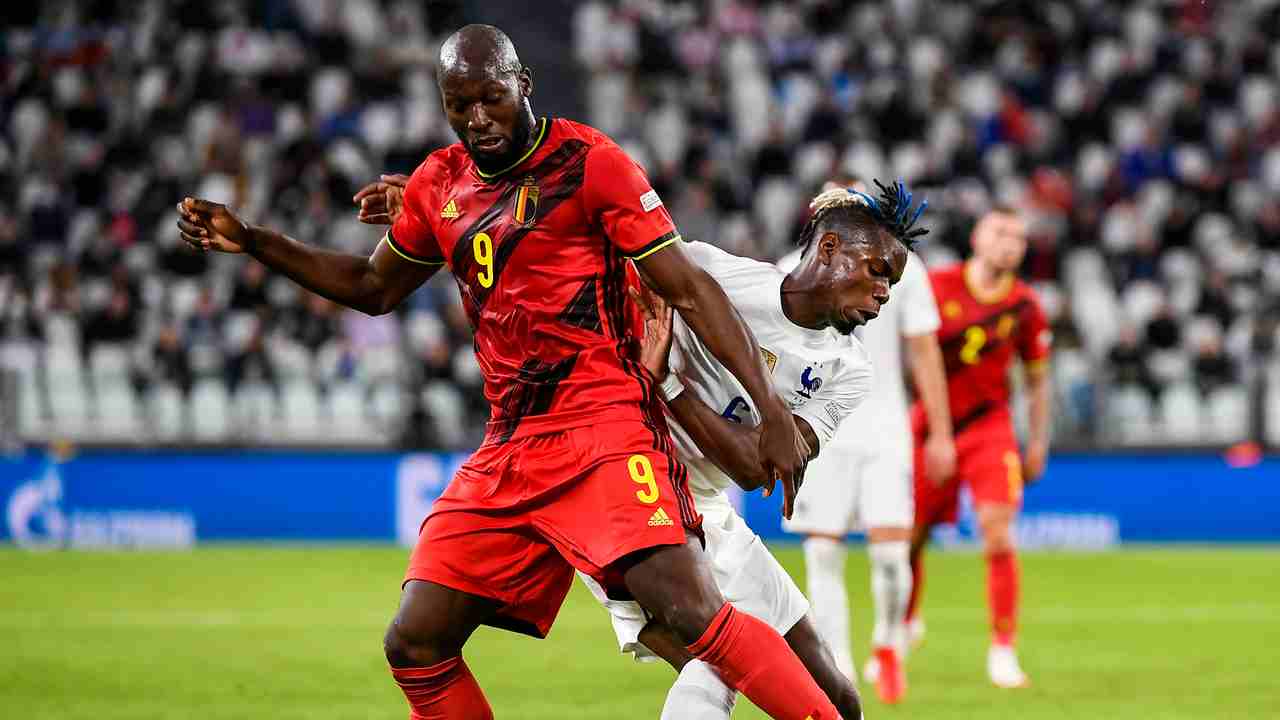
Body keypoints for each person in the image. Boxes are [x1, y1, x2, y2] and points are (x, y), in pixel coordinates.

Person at [178, 24, 839, 720]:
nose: (477, 118)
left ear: (522, 84)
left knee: (691, 611)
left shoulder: (592, 163)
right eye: (458, 104)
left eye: (491, 98)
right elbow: (373, 287)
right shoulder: (439, 182)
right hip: (512, 445)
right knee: (416, 641)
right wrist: (256, 241)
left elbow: (689, 289)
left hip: (603, 426)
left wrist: (769, 410)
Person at [586, 180, 926, 720]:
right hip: (633, 493)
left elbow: (751, 468)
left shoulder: (850, 369)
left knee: (839, 697)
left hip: (712, 510)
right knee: (717, 668)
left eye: (893, 281)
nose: (885, 292)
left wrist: (667, 387)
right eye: (878, 270)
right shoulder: (710, 272)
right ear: (830, 247)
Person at [779, 176, 954, 704]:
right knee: (823, 554)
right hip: (819, 430)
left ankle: (886, 643)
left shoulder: (905, 267)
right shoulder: (791, 267)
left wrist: (940, 432)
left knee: (890, 557)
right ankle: (840, 665)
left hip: (884, 426)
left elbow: (923, 350)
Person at [906, 206, 1053, 689]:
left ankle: (1003, 650)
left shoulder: (1026, 306)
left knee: (997, 533)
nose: (1010, 242)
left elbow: (1037, 382)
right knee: (912, 535)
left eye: (1019, 235)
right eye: (1000, 232)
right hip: (930, 424)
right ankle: (904, 622)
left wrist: (1038, 443)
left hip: (991, 427)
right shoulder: (938, 286)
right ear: (977, 237)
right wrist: (938, 434)